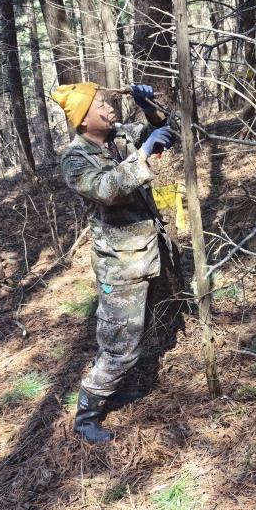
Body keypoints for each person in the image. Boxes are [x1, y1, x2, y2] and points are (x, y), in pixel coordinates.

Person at [52, 82, 177, 443]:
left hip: (147, 252)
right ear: (83, 119)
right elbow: (107, 190)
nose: (110, 109)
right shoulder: (75, 158)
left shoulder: (119, 135)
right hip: (120, 266)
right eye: (101, 106)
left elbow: (162, 131)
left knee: (137, 334)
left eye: (108, 103)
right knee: (119, 346)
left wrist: (149, 107)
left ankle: (118, 391)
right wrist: (143, 155)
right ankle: (86, 416)